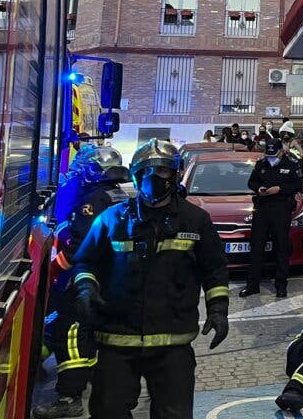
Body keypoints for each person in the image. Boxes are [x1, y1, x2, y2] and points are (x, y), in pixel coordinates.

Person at [71, 140, 229, 418]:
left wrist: (218, 309)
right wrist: (86, 286)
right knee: (107, 411)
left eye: (162, 171)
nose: (153, 178)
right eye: (145, 171)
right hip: (116, 340)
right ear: (134, 173)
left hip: (173, 344)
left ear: (175, 174)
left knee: (174, 414)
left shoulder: (196, 221)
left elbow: (214, 268)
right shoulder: (111, 219)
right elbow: (86, 261)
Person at [34, 146, 130, 419]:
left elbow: (79, 247)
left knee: (72, 332)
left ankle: (68, 397)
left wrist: (54, 270)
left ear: (93, 171)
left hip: (86, 277)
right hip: (110, 277)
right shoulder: (117, 195)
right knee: (83, 331)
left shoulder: (93, 201)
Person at [240, 136, 303, 299]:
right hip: (262, 208)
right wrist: (259, 188)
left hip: (281, 209)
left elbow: (297, 186)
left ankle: (281, 286)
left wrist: (280, 188)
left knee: (281, 248)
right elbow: (251, 182)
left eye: (273, 155)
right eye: (268, 155)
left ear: (281, 152)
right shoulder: (261, 164)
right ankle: (252, 285)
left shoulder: (291, 165)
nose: (271, 159)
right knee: (256, 247)